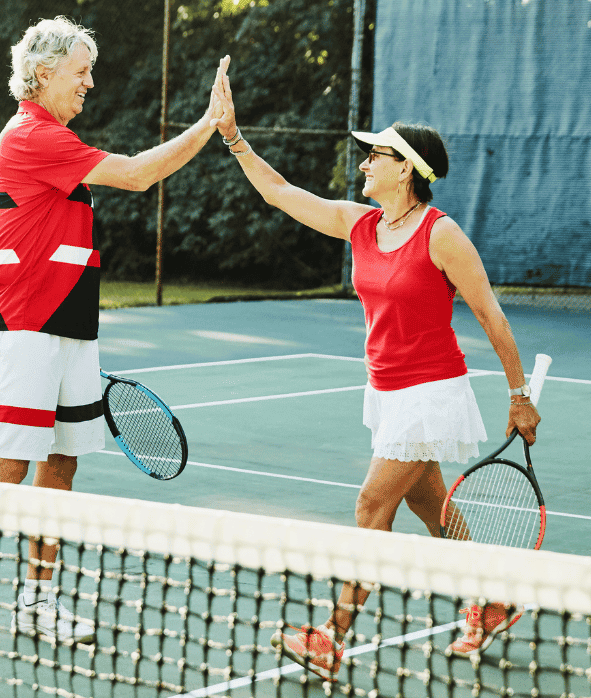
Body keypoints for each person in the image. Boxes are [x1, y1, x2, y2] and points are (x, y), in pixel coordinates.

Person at [0, 18, 232, 656]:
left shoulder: (56, 139)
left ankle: (38, 601)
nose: (89, 82)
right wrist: (208, 125)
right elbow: (135, 174)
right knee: (8, 464)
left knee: (61, 464)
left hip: (74, 327)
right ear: (43, 73)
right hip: (27, 328)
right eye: (80, 71)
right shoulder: (31, 137)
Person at [210, 62, 542, 679]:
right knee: (433, 506)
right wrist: (234, 138)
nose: (363, 164)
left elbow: (492, 317)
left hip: (431, 392)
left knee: (370, 507)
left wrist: (518, 395)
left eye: (376, 155)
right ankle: (495, 597)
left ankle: (330, 638)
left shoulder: (442, 236)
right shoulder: (361, 225)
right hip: (387, 391)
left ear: (408, 169)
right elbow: (282, 195)